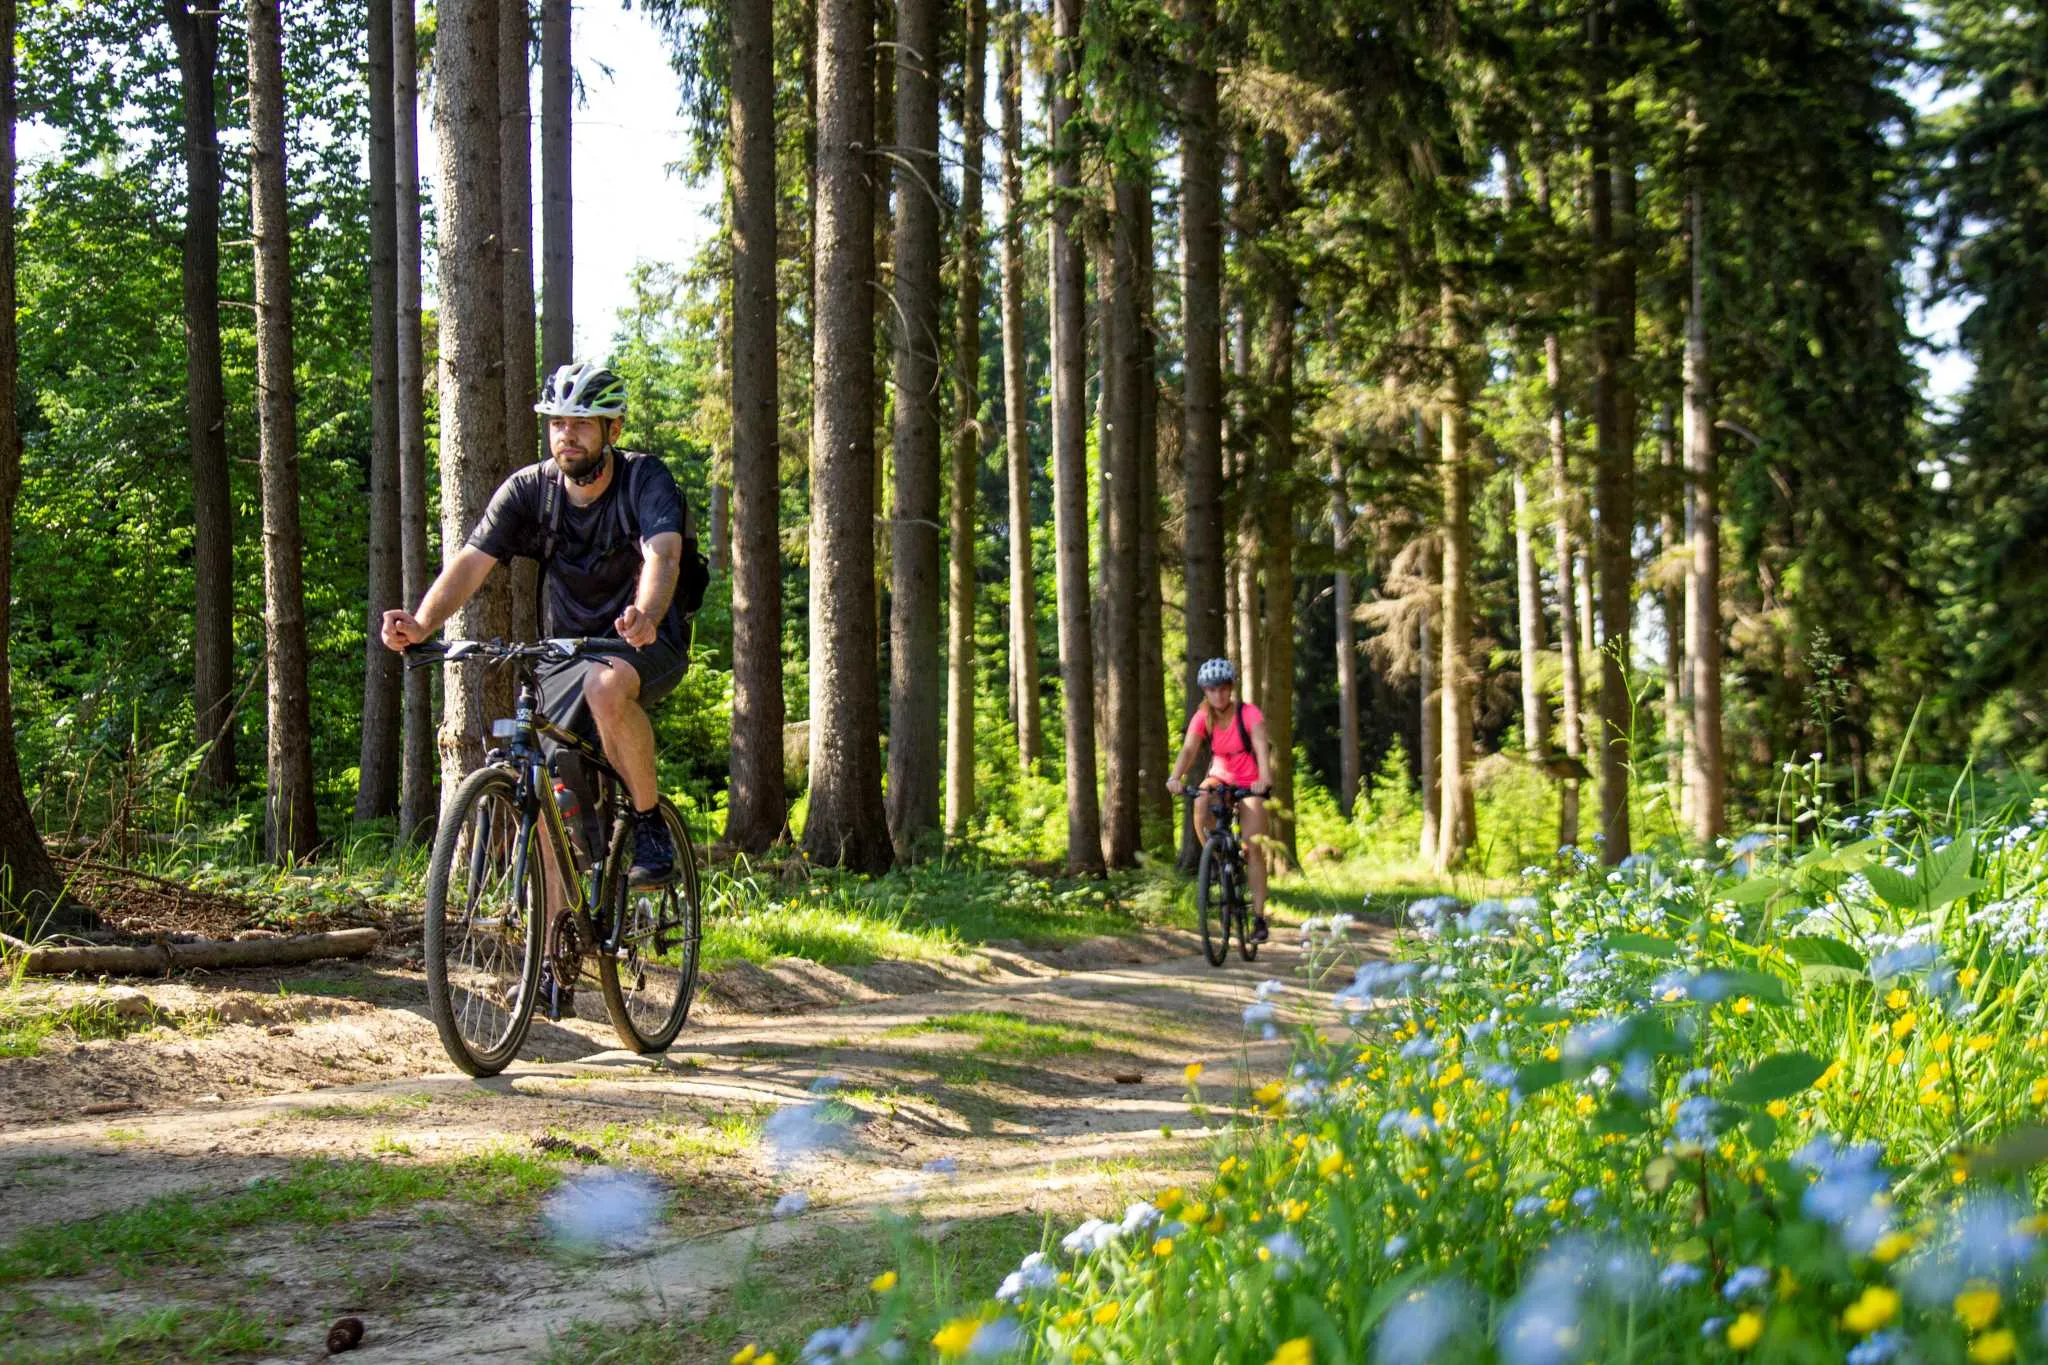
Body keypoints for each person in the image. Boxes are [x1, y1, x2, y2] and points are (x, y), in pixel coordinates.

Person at [380, 361, 698, 885]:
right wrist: (420, 622)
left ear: (612, 430)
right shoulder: (531, 491)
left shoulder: (645, 480)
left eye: (580, 423)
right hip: (563, 651)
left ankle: (647, 825)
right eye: (556, 423)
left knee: (605, 684)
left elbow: (663, 555)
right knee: (547, 794)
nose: (565, 435)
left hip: (646, 640)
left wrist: (647, 614)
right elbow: (471, 562)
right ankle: (552, 958)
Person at [1165, 658, 1274, 943]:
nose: (1219, 695)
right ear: (1205, 691)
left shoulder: (1248, 713)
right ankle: (1213, 857)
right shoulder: (1203, 716)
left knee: (1253, 848)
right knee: (1201, 799)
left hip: (1250, 783)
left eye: (1223, 689)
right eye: (1212, 690)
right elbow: (1189, 749)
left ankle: (1259, 918)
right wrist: (1175, 777)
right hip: (1220, 778)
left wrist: (1264, 778)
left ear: (1231, 688)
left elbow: (1261, 747)